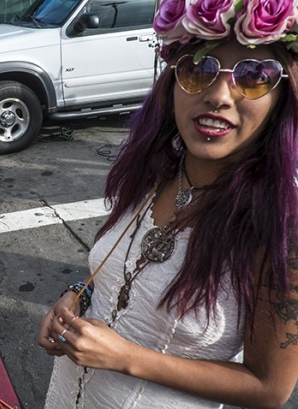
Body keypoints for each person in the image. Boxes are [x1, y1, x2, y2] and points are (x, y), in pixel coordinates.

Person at [38, 1, 298, 408]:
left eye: (252, 77)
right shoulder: (153, 171)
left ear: (282, 98)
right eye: (199, 69)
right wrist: (78, 297)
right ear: (171, 83)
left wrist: (127, 359)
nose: (218, 96)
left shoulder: (282, 224)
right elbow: (126, 283)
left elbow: (269, 388)